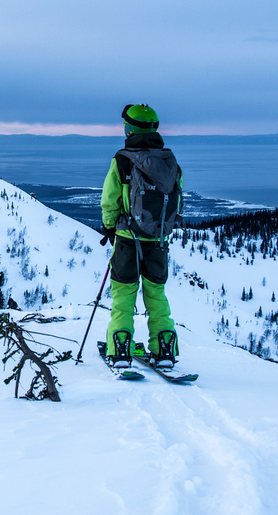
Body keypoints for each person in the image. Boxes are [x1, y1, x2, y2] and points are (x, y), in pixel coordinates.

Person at [100, 104, 182, 368]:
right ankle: (165, 349)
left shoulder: (123, 159)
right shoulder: (169, 160)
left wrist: (111, 228)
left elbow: (109, 200)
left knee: (123, 296)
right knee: (156, 296)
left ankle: (121, 348)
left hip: (127, 239)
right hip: (159, 241)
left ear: (129, 129)